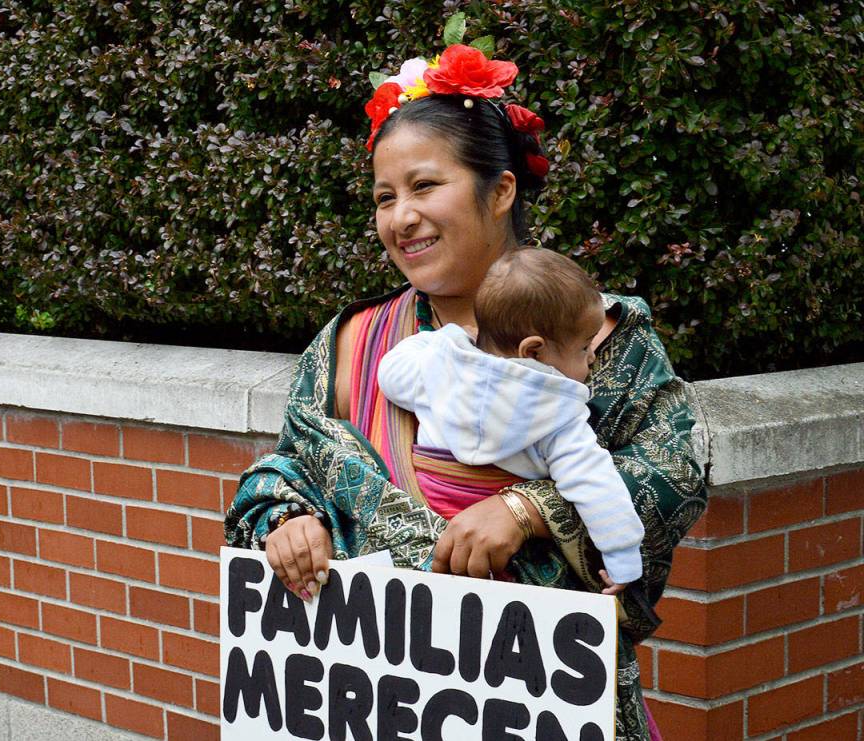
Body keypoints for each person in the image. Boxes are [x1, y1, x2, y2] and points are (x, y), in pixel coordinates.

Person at [225, 42, 705, 740]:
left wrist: (529, 506)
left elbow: (676, 469)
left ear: (500, 190)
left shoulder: (596, 334)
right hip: (382, 698)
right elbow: (287, 465)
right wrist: (289, 519)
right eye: (385, 198)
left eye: (424, 187)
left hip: (547, 702)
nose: (400, 217)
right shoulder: (353, 342)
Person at [377, 247, 645, 594]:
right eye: (583, 348)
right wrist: (623, 560)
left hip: (427, 542)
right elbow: (597, 487)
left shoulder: (440, 370)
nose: (592, 357)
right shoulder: (559, 416)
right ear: (533, 351)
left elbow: (390, 374)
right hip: (508, 566)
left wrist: (444, 340)